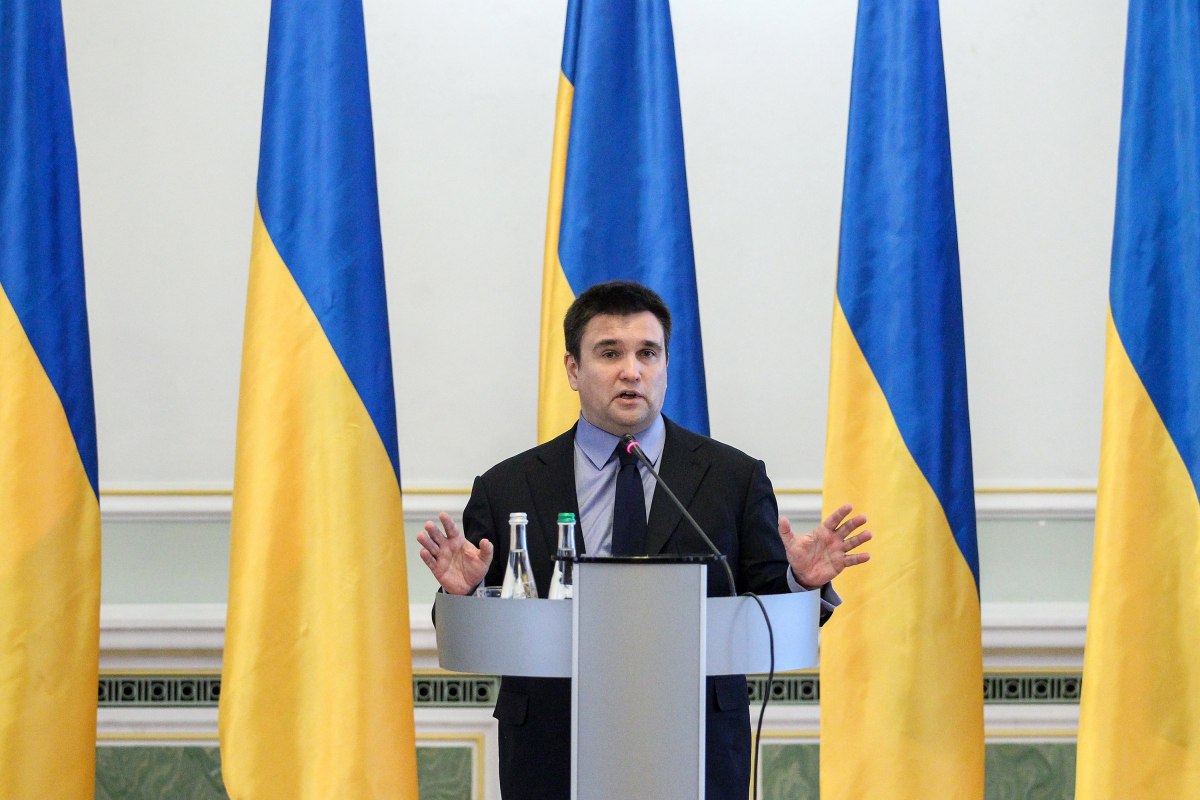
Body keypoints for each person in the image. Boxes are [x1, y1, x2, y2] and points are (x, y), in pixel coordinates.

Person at [417, 280, 871, 800]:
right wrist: (465, 596)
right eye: (610, 353)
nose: (631, 371)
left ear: (666, 365)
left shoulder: (734, 478)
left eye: (648, 353)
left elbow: (763, 610)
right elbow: (473, 632)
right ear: (573, 369)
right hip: (552, 748)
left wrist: (799, 582)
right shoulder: (508, 486)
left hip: (696, 746)